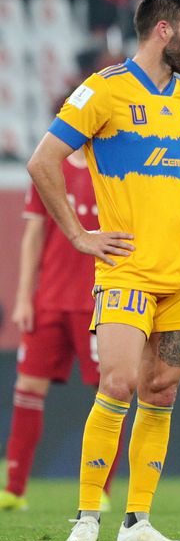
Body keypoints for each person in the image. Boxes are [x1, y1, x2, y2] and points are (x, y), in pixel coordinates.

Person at [25, 0, 180, 541]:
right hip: (127, 271)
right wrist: (78, 235)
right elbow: (43, 161)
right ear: (164, 30)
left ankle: (137, 523)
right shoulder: (104, 91)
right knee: (117, 382)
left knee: (161, 392)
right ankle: (88, 516)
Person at [1, 150, 123, 513]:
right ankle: (14, 489)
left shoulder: (115, 169)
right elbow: (34, 235)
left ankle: (100, 490)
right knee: (27, 388)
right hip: (50, 300)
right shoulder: (48, 171)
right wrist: (25, 297)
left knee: (109, 392)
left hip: (99, 299)